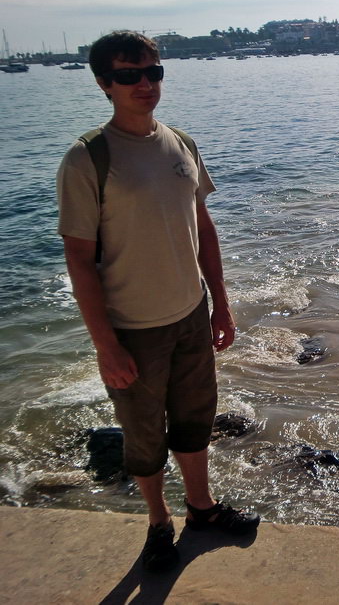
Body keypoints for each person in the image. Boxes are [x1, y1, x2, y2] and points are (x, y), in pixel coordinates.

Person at [56, 31, 259, 573]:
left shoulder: (181, 143)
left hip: (190, 313)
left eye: (153, 71)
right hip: (133, 327)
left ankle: (201, 508)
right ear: (104, 84)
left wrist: (221, 303)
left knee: (195, 419)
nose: (144, 83)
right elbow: (79, 259)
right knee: (143, 435)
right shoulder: (87, 158)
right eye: (129, 75)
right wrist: (106, 346)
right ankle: (157, 524)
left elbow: (203, 228)